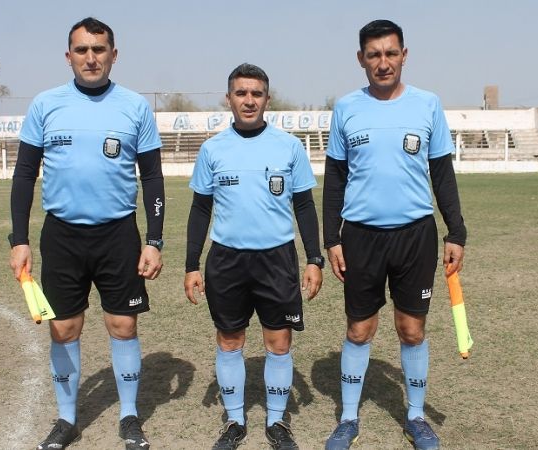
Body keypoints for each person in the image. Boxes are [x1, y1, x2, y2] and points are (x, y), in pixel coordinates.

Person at [8, 17, 164, 450]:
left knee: (123, 325)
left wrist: (154, 241)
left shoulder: (134, 106)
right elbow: (24, 175)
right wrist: (19, 239)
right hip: (62, 236)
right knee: (63, 329)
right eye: (82, 50)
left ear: (114, 54)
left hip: (118, 235)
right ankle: (66, 419)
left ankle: (129, 416)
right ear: (68, 56)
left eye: (99, 49)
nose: (91, 58)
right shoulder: (45, 104)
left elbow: (152, 177)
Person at [322, 20, 466, 450]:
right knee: (359, 329)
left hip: (415, 236)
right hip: (361, 237)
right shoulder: (346, 108)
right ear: (361, 59)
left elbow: (442, 174)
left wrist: (456, 231)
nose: (382, 62)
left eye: (390, 53)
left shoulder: (428, 104)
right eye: (374, 55)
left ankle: (416, 416)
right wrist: (332, 238)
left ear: (404, 55)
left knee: (412, 329)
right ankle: (348, 418)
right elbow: (335, 179)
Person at [184, 63, 323, 450]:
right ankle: (234, 421)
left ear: (267, 99)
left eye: (256, 93)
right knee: (230, 339)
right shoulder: (212, 149)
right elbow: (200, 210)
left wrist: (314, 259)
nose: (249, 100)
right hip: (227, 259)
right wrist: (191, 265)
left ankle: (277, 422)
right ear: (228, 98)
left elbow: (304, 206)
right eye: (241, 93)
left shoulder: (288, 146)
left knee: (278, 341)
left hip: (277, 258)